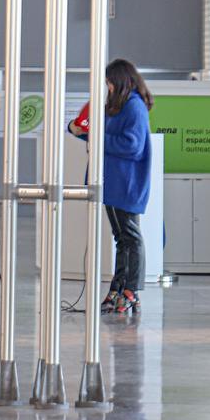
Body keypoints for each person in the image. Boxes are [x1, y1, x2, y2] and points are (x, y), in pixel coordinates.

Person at [69, 58, 153, 315]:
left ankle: (130, 289)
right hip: (113, 181)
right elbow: (102, 131)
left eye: (109, 83)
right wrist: (78, 130)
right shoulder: (118, 106)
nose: (108, 88)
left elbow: (132, 145)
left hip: (125, 183)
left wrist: (95, 136)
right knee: (122, 238)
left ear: (120, 81)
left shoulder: (134, 107)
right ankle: (119, 288)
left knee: (130, 236)